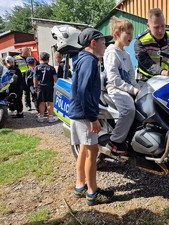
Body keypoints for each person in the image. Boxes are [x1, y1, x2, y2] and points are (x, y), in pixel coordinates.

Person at [68, 27, 114, 206]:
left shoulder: (82, 59)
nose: (105, 45)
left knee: (85, 149)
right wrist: (92, 118)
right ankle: (92, 192)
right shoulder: (90, 61)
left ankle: (80, 186)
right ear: (93, 43)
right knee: (93, 151)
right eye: (103, 42)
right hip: (84, 115)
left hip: (77, 113)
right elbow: (84, 91)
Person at [104, 17, 140, 155]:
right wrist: (133, 90)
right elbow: (114, 79)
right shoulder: (112, 52)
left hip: (125, 88)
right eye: (128, 33)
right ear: (117, 34)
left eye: (131, 33)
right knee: (129, 110)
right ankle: (115, 141)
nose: (131, 36)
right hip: (115, 88)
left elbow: (131, 77)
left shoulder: (126, 53)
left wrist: (139, 90)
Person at [134, 8, 169, 80]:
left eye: (163, 25)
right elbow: (146, 63)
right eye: (156, 27)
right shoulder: (141, 41)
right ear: (148, 26)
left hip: (165, 77)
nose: (160, 30)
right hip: (146, 79)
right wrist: (164, 72)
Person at [33, 52, 58, 123]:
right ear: (48, 59)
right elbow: (55, 78)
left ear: (40, 58)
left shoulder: (36, 68)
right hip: (49, 87)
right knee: (50, 102)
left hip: (40, 87)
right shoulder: (52, 68)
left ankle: (41, 117)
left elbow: (35, 78)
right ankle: (51, 117)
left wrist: (35, 87)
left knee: (41, 102)